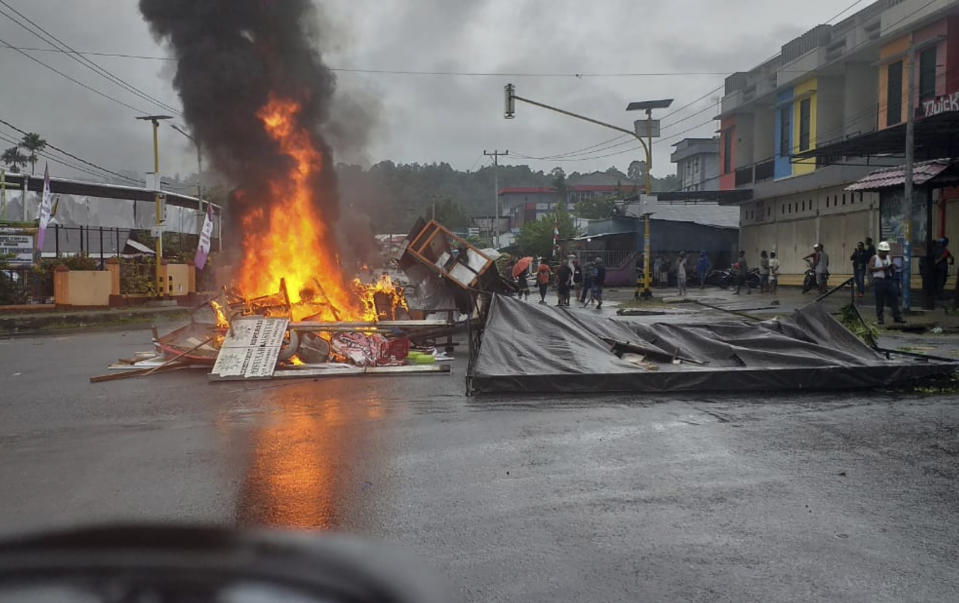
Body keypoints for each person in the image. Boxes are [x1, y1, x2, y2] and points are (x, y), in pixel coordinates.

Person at [869, 241, 905, 325]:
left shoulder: (889, 257)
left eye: (886, 252)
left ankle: (897, 317)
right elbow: (870, 269)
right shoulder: (874, 258)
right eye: (883, 252)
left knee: (894, 298)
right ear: (879, 251)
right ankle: (880, 319)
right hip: (879, 280)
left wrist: (892, 267)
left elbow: (892, 270)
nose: (885, 253)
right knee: (879, 300)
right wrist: (882, 268)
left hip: (889, 280)